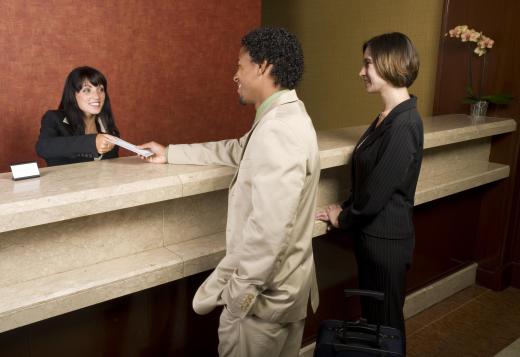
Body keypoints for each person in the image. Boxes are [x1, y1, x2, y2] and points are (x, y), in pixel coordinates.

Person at [139, 27, 320, 357]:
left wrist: (238, 298)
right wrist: (171, 153)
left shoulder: (278, 130)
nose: (235, 75)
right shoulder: (284, 117)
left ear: (262, 66)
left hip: (262, 307)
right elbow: (238, 149)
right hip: (281, 295)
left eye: (239, 65)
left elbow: (269, 231)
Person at [316, 32, 423, 352]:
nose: (361, 72)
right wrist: (346, 205)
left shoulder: (404, 124)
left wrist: (343, 217)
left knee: (387, 331)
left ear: (390, 64)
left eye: (368, 63)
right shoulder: (387, 117)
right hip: (374, 239)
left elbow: (377, 193)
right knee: (377, 328)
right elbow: (369, 177)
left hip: (386, 242)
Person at [36, 66, 119, 166]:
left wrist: (140, 155)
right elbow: (43, 148)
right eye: (87, 90)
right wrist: (91, 142)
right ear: (73, 94)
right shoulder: (54, 118)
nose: (97, 96)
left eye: (101, 89)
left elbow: (113, 166)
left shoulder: (109, 128)